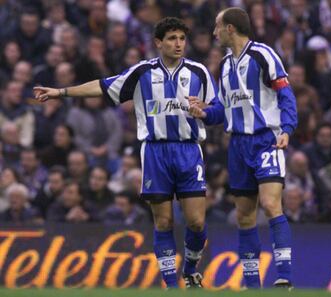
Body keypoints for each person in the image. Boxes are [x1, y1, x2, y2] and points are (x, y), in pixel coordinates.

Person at [34, 17, 218, 289]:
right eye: (172, 38)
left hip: (189, 150)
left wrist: (204, 110)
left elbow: (219, 112)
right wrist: (60, 92)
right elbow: (102, 86)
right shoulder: (142, 72)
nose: (178, 43)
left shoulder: (199, 72)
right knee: (164, 220)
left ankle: (190, 269)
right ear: (158, 43)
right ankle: (171, 283)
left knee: (196, 220)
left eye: (181, 38)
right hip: (155, 151)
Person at [189, 7, 297, 289]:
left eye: (217, 26)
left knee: (272, 204)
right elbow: (224, 110)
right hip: (237, 145)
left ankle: (284, 277)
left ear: (230, 29)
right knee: (244, 215)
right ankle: (252, 284)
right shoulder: (225, 66)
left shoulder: (263, 55)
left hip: (266, 140)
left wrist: (286, 129)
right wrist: (204, 113)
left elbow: (285, 93)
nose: (213, 32)